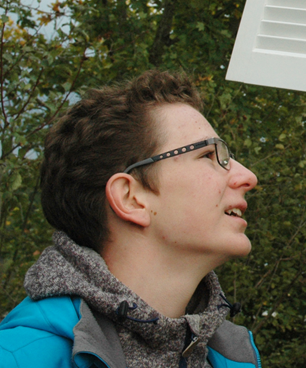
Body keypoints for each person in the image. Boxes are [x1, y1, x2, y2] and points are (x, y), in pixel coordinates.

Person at [0, 70, 261, 368]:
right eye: (207, 155)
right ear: (130, 197)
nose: (247, 176)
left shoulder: (235, 359)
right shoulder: (17, 358)